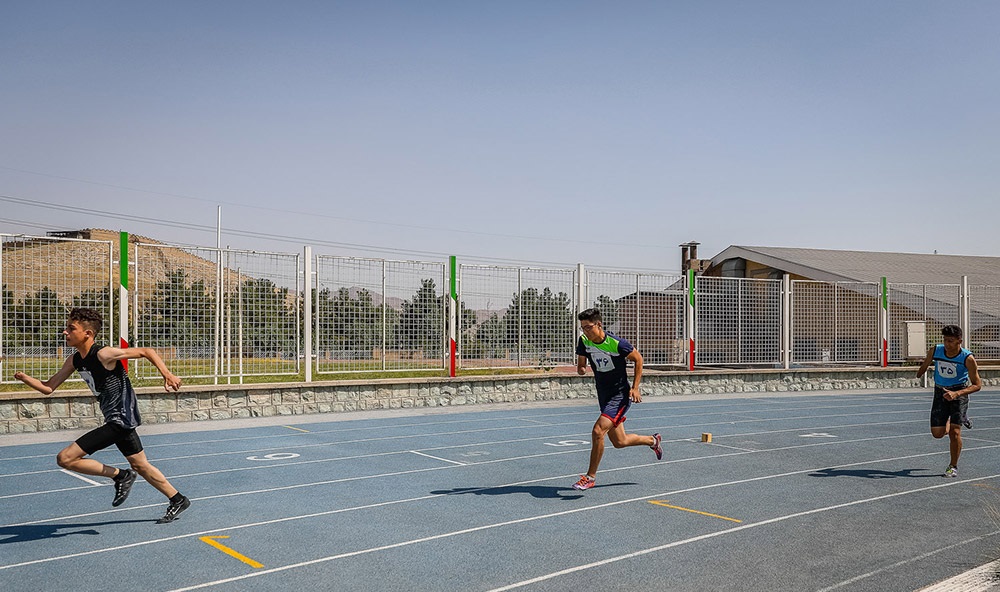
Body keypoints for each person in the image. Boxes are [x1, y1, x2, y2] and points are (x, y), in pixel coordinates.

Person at [4, 307, 191, 523]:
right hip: (115, 420)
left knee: (65, 458)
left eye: (71, 328)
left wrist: (167, 374)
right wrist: (25, 378)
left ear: (87, 334)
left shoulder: (104, 354)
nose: (65, 332)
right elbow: (48, 387)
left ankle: (120, 476)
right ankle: (178, 499)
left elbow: (147, 351)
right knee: (140, 465)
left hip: (121, 419)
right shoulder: (75, 360)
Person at [573, 308, 662, 491]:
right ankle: (653, 441)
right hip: (603, 395)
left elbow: (638, 359)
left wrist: (635, 388)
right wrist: (581, 369)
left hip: (620, 395)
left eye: (588, 327)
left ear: (599, 325)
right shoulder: (584, 340)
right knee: (620, 442)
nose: (585, 332)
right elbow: (581, 365)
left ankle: (590, 477)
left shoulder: (617, 343)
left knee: (598, 431)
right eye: (582, 328)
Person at [916, 324, 981, 478]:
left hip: (959, 393)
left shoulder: (967, 358)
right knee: (937, 434)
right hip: (940, 392)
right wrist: (920, 372)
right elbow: (925, 364)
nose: (947, 344)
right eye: (945, 340)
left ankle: (953, 466)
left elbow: (977, 385)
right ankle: (955, 418)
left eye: (951, 341)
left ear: (960, 341)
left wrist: (957, 393)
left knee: (955, 432)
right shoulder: (936, 351)